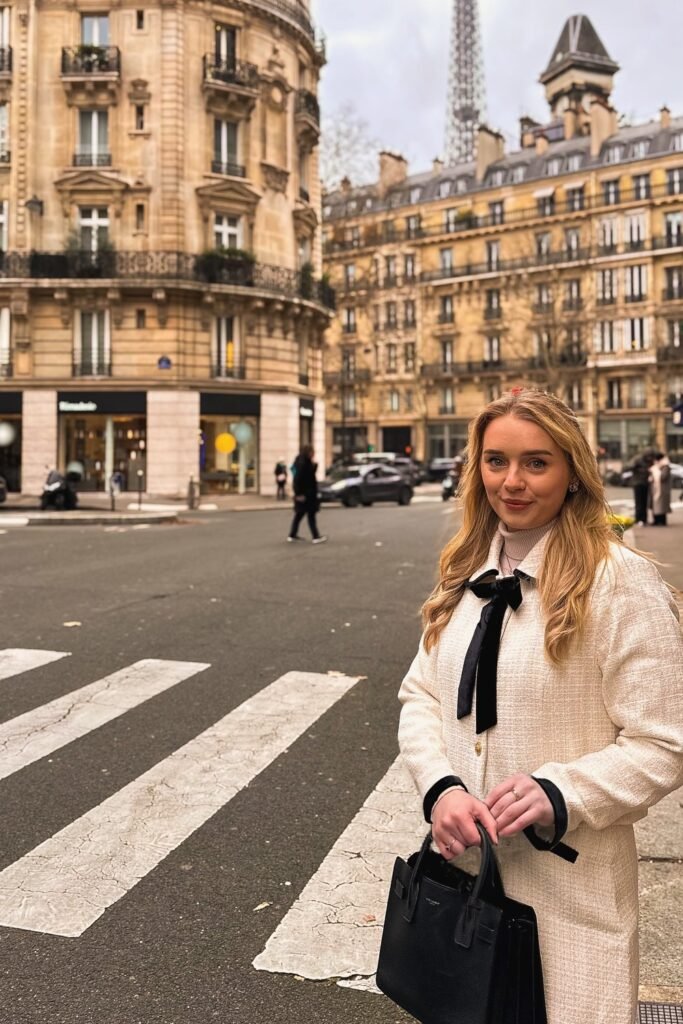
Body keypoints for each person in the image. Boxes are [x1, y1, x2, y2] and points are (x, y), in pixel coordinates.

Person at [398, 388, 683, 1024]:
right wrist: (440, 788)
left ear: (572, 472)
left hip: (571, 900)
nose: (512, 482)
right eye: (496, 461)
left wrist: (562, 792)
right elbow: (422, 692)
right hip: (466, 887)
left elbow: (665, 741)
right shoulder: (465, 574)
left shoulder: (618, 582)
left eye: (536, 462)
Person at [287, 445, 327, 544]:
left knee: (299, 514)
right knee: (310, 515)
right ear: (309, 452)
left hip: (303, 493)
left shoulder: (299, 462)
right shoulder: (304, 463)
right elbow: (302, 478)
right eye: (312, 452)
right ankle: (315, 536)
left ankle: (292, 534)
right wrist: (299, 493)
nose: (314, 454)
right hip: (307, 494)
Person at [630, 451, 653, 525]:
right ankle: (638, 518)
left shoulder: (648, 461)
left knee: (644, 502)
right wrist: (640, 469)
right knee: (639, 502)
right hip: (638, 483)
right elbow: (630, 466)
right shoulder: (637, 459)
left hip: (645, 483)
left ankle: (644, 519)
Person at [650, 451, 672, 526]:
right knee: (656, 506)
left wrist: (656, 474)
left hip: (663, 489)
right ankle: (656, 520)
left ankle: (662, 521)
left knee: (662, 507)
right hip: (656, 488)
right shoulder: (657, 466)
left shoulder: (666, 466)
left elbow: (663, 477)